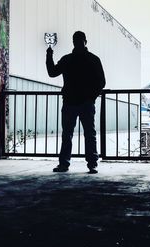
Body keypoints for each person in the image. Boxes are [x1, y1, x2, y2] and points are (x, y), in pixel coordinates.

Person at [46, 31, 106, 174]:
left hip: (69, 102)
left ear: (74, 42)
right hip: (86, 103)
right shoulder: (93, 59)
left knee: (67, 134)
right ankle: (92, 164)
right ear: (85, 41)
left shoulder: (67, 59)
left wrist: (49, 55)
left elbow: (52, 72)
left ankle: (64, 164)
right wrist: (91, 97)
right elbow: (101, 82)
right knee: (89, 134)